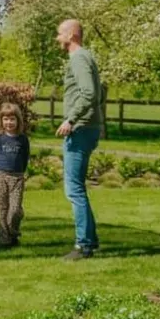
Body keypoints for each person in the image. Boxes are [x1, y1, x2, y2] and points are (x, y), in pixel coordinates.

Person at [54, 18, 104, 260]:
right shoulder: (85, 57)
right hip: (87, 127)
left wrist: (71, 120)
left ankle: (83, 245)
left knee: (73, 189)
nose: (57, 38)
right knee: (77, 188)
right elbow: (98, 94)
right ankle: (89, 240)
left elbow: (90, 93)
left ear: (71, 35)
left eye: (60, 33)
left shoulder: (79, 58)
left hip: (81, 129)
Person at [0, 101, 29, 248]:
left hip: (17, 178)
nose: (9, 122)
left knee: (15, 210)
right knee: (1, 209)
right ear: (1, 120)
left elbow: (25, 157)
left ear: (18, 120)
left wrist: (22, 172)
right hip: (1, 176)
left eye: (12, 119)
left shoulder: (22, 139)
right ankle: (5, 240)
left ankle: (13, 232)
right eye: (5, 119)